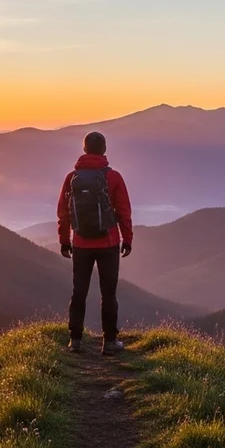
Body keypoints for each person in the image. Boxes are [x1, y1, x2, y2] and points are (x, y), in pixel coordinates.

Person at [57, 131, 133, 355]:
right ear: (104, 149)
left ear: (84, 149)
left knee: (79, 292)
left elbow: (63, 212)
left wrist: (64, 240)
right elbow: (124, 211)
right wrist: (127, 239)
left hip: (81, 243)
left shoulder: (72, 177)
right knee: (108, 294)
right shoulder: (114, 177)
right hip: (108, 243)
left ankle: (75, 341)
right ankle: (109, 342)